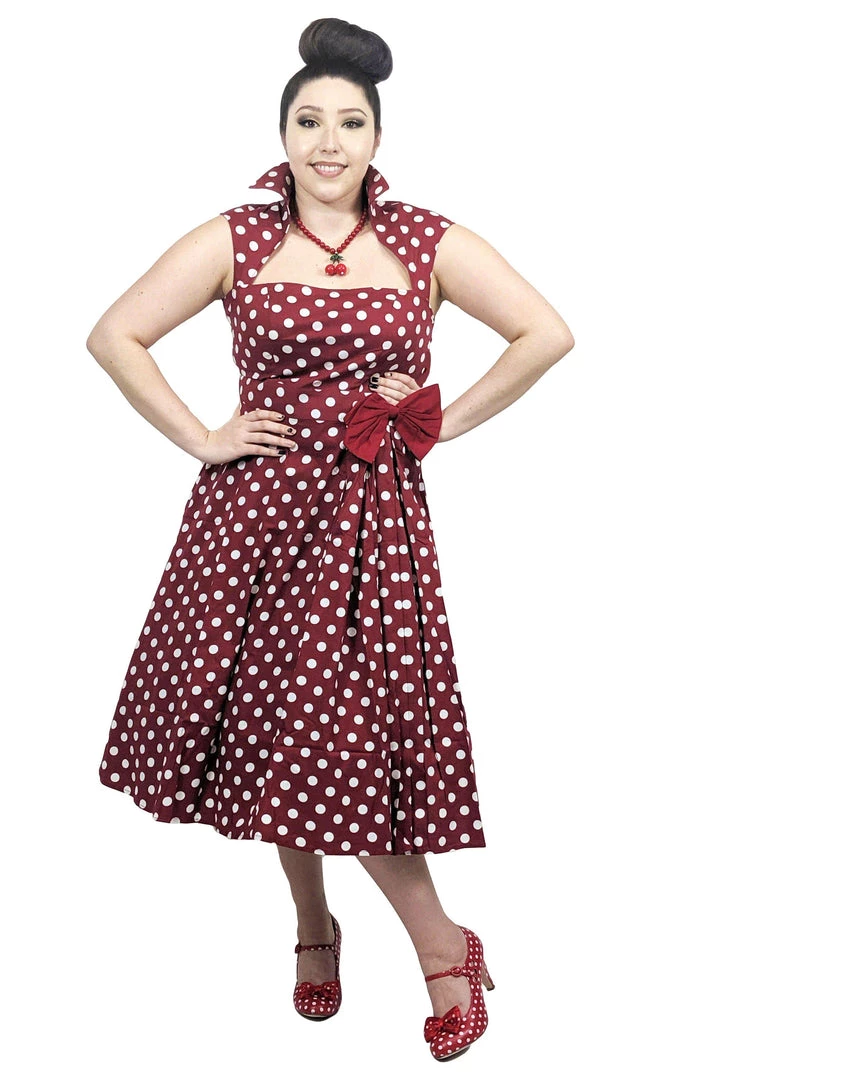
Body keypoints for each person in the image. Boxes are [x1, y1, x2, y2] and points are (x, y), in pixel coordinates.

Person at [88, 17, 573, 1063]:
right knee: (276, 729)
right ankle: (314, 924)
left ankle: (440, 944)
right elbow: (114, 334)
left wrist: (440, 421)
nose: (328, 142)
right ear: (283, 133)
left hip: (369, 527)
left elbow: (546, 332)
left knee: (345, 735)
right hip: (251, 525)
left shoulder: (429, 241)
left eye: (350, 123)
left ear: (377, 138)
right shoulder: (235, 236)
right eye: (309, 121)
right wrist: (204, 437)